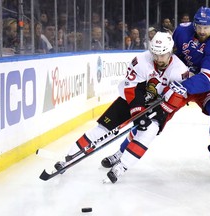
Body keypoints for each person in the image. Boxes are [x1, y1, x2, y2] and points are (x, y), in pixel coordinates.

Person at [54, 32, 189, 182]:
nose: (157, 59)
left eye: (162, 55)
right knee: (102, 128)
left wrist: (163, 108)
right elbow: (130, 88)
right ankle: (69, 158)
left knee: (148, 132)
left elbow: (177, 101)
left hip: (158, 106)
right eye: (155, 54)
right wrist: (137, 111)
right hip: (131, 100)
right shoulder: (141, 61)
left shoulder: (180, 71)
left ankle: (122, 166)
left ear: (170, 52)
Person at [172, 7, 210, 181]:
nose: (202, 30)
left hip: (204, 83)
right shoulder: (182, 31)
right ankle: (123, 152)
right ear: (194, 24)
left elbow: (208, 79)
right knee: (157, 114)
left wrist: (184, 86)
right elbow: (168, 53)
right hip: (180, 78)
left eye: (207, 27)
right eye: (199, 26)